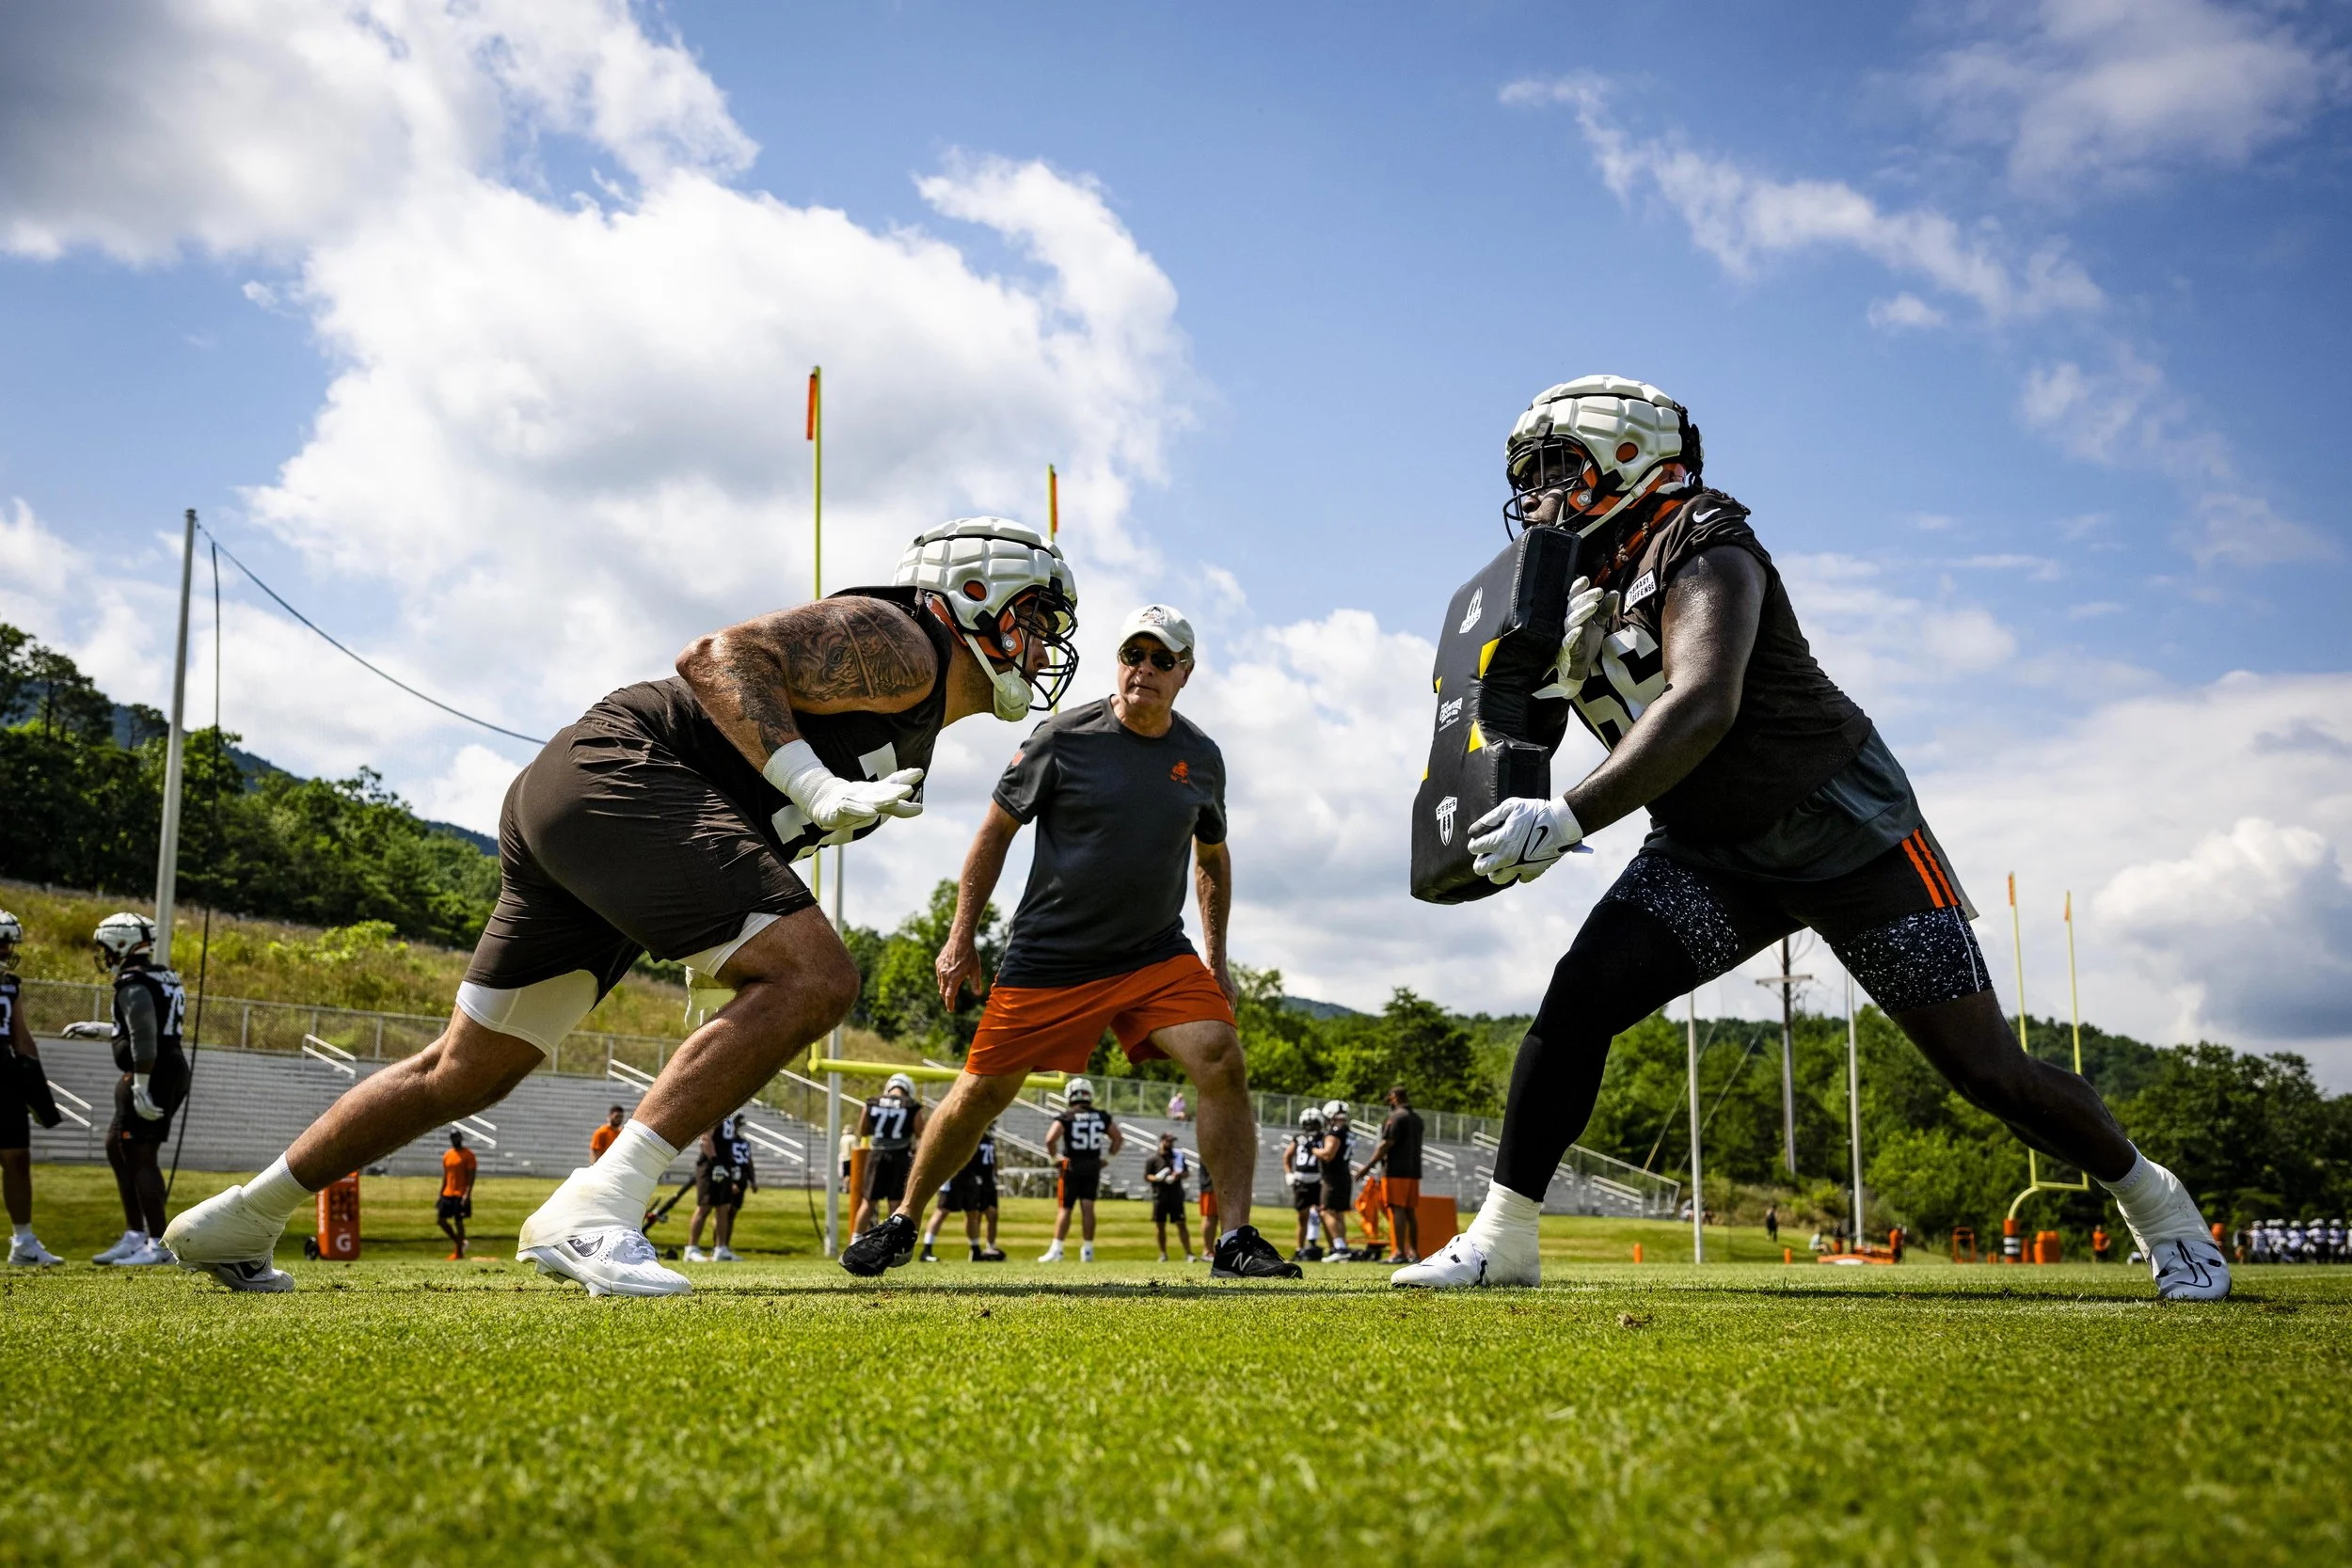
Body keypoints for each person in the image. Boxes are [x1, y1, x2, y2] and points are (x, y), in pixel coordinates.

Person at [1396, 376, 2232, 1302]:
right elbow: (1519, 729)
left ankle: (2157, 1204)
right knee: (1579, 999)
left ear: (1628, 457)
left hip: (1843, 829)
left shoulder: (1703, 541)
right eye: (1527, 476)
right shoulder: (1568, 580)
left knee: (1988, 1071)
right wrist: (1525, 717)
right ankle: (1505, 1236)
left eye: (1555, 467)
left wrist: (1567, 819)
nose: (1535, 495)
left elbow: (1702, 703)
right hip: (1708, 850)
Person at [167, 516, 1078, 1295]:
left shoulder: (913, 700)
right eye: (1036, 618)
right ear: (974, 593)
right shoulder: (904, 638)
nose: (1044, 648)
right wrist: (811, 783)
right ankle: (596, 1204)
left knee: (466, 1069)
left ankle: (242, 1215)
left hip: (593, 798)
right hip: (623, 774)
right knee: (815, 978)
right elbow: (719, 655)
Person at [842, 604, 1298, 1280]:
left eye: (1161, 659)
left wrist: (1217, 959)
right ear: (1119, 662)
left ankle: (1233, 1241)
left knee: (1220, 1055)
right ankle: (904, 1220)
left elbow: (1212, 857)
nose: (1143, 668)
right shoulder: (1061, 736)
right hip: (1052, 957)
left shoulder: (1202, 758)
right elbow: (994, 832)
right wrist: (960, 936)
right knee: (980, 1093)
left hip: (1153, 953)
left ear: (1185, 672)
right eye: (1133, 654)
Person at [85, 914, 189, 1268]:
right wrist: (105, 1029)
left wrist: (142, 1086)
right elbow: (150, 1025)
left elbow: (144, 1036)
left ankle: (159, 1243)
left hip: (151, 1072)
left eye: (106, 947)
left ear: (120, 944)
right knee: (117, 1145)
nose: (105, 955)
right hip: (164, 1067)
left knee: (142, 1155)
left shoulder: (133, 981)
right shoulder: (162, 975)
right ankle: (134, 1235)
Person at [1, 911, 63, 1266]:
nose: (6, 950)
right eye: (1, 942)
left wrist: (36, 1088)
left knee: (17, 1157)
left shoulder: (10, 984)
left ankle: (23, 1242)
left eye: (8, 943)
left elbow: (21, 1037)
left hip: (4, 1074)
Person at [1040, 1078, 1120, 1263]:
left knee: (1065, 1208)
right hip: (1092, 1166)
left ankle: (1057, 1249)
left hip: (1072, 1166)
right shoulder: (1100, 1116)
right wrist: (1108, 1159)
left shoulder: (1067, 1116)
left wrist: (1054, 1159)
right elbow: (1117, 1137)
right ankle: (1088, 1251)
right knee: (1088, 1207)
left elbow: (1050, 1139)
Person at [1356, 1085, 1425, 1264]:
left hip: (1396, 1171)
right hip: (1413, 1171)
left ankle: (1399, 1252)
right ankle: (1414, 1253)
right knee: (1410, 1211)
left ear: (1395, 1097)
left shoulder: (1396, 1117)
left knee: (1397, 1209)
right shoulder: (1417, 1119)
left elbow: (1386, 1144)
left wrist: (1367, 1167)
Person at [851, 1073, 923, 1240]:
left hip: (876, 1156)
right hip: (899, 1157)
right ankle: (889, 1243)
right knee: (895, 1204)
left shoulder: (871, 1103)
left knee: (868, 1203)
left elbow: (863, 1131)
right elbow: (920, 1132)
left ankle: (854, 1241)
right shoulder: (912, 1106)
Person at [920, 1120, 1005, 1261]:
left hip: (970, 1177)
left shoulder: (983, 1137)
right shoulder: (957, 1132)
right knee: (942, 1211)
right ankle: (926, 1250)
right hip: (954, 1175)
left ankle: (975, 1250)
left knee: (972, 1213)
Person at [686, 1110, 754, 1262]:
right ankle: (691, 1248)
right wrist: (716, 1161)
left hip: (724, 1166)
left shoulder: (728, 1117)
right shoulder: (716, 1113)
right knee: (704, 1206)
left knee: (724, 1207)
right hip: (710, 1167)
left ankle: (721, 1248)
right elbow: (705, 1139)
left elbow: (728, 1145)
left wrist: (731, 1166)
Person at [1144, 1132, 1194, 1262]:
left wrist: (1178, 1176)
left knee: (1181, 1224)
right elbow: (1147, 1176)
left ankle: (1189, 1253)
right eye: (1168, 1141)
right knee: (1160, 1225)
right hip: (1159, 1196)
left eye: (1172, 1141)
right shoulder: (1153, 1159)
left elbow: (1186, 1173)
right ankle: (1163, 1254)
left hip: (1175, 1195)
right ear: (1162, 1141)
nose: (1171, 1144)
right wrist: (1157, 1178)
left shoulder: (1177, 1157)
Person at [1315, 1101, 1355, 1262]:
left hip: (1333, 1178)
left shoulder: (1335, 1132)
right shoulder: (1347, 1132)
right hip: (1344, 1175)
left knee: (1326, 1211)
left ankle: (1339, 1248)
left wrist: (1312, 1149)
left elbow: (1327, 1155)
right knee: (1338, 1213)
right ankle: (1342, 1248)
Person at [1284, 1108, 1326, 1260]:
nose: (1311, 1126)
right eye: (1308, 1123)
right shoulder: (1298, 1138)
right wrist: (1289, 1173)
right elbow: (1287, 1156)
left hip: (1319, 1180)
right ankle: (1299, 1249)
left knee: (1325, 1215)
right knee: (1302, 1216)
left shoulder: (1324, 1137)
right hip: (1301, 1180)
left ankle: (1335, 1248)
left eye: (1314, 1123)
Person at [437, 1130, 478, 1259]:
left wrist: (467, 1194)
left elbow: (471, 1176)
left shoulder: (468, 1155)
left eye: (457, 1137)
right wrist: (440, 1193)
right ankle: (460, 1243)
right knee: (441, 1221)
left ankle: (459, 1253)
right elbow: (446, 1176)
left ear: (461, 1138)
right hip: (448, 1192)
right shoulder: (448, 1155)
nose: (455, 1140)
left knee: (458, 1221)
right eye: (453, 1137)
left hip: (460, 1193)